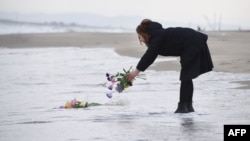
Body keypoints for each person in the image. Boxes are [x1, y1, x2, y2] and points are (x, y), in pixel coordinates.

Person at [126, 19, 214, 113]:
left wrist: (135, 72)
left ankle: (183, 107)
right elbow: (151, 55)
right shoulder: (157, 36)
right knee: (187, 77)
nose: (139, 39)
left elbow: (150, 55)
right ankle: (187, 106)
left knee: (186, 76)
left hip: (193, 42)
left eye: (139, 36)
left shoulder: (156, 36)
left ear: (144, 34)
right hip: (193, 42)